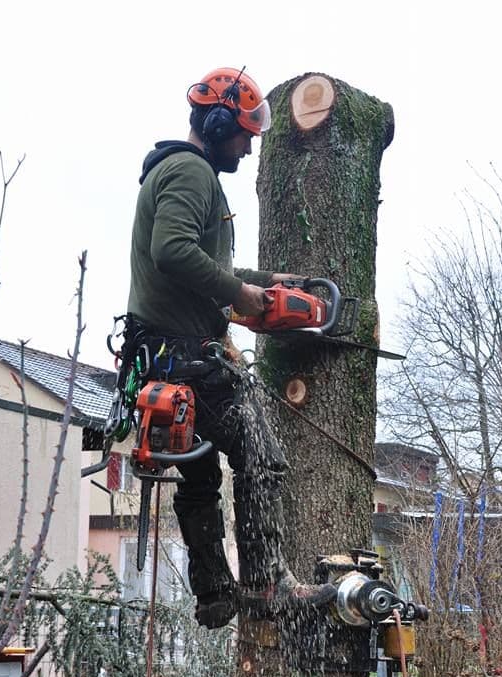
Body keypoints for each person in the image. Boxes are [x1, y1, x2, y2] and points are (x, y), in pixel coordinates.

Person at [126, 66, 335, 629]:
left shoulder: (171, 171)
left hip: (158, 355)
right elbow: (172, 249)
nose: (247, 147)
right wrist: (240, 294)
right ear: (218, 125)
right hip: (186, 354)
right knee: (259, 452)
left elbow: (199, 266)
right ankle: (268, 583)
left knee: (199, 474)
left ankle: (215, 593)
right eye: (243, 134)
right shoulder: (191, 171)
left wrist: (264, 282)